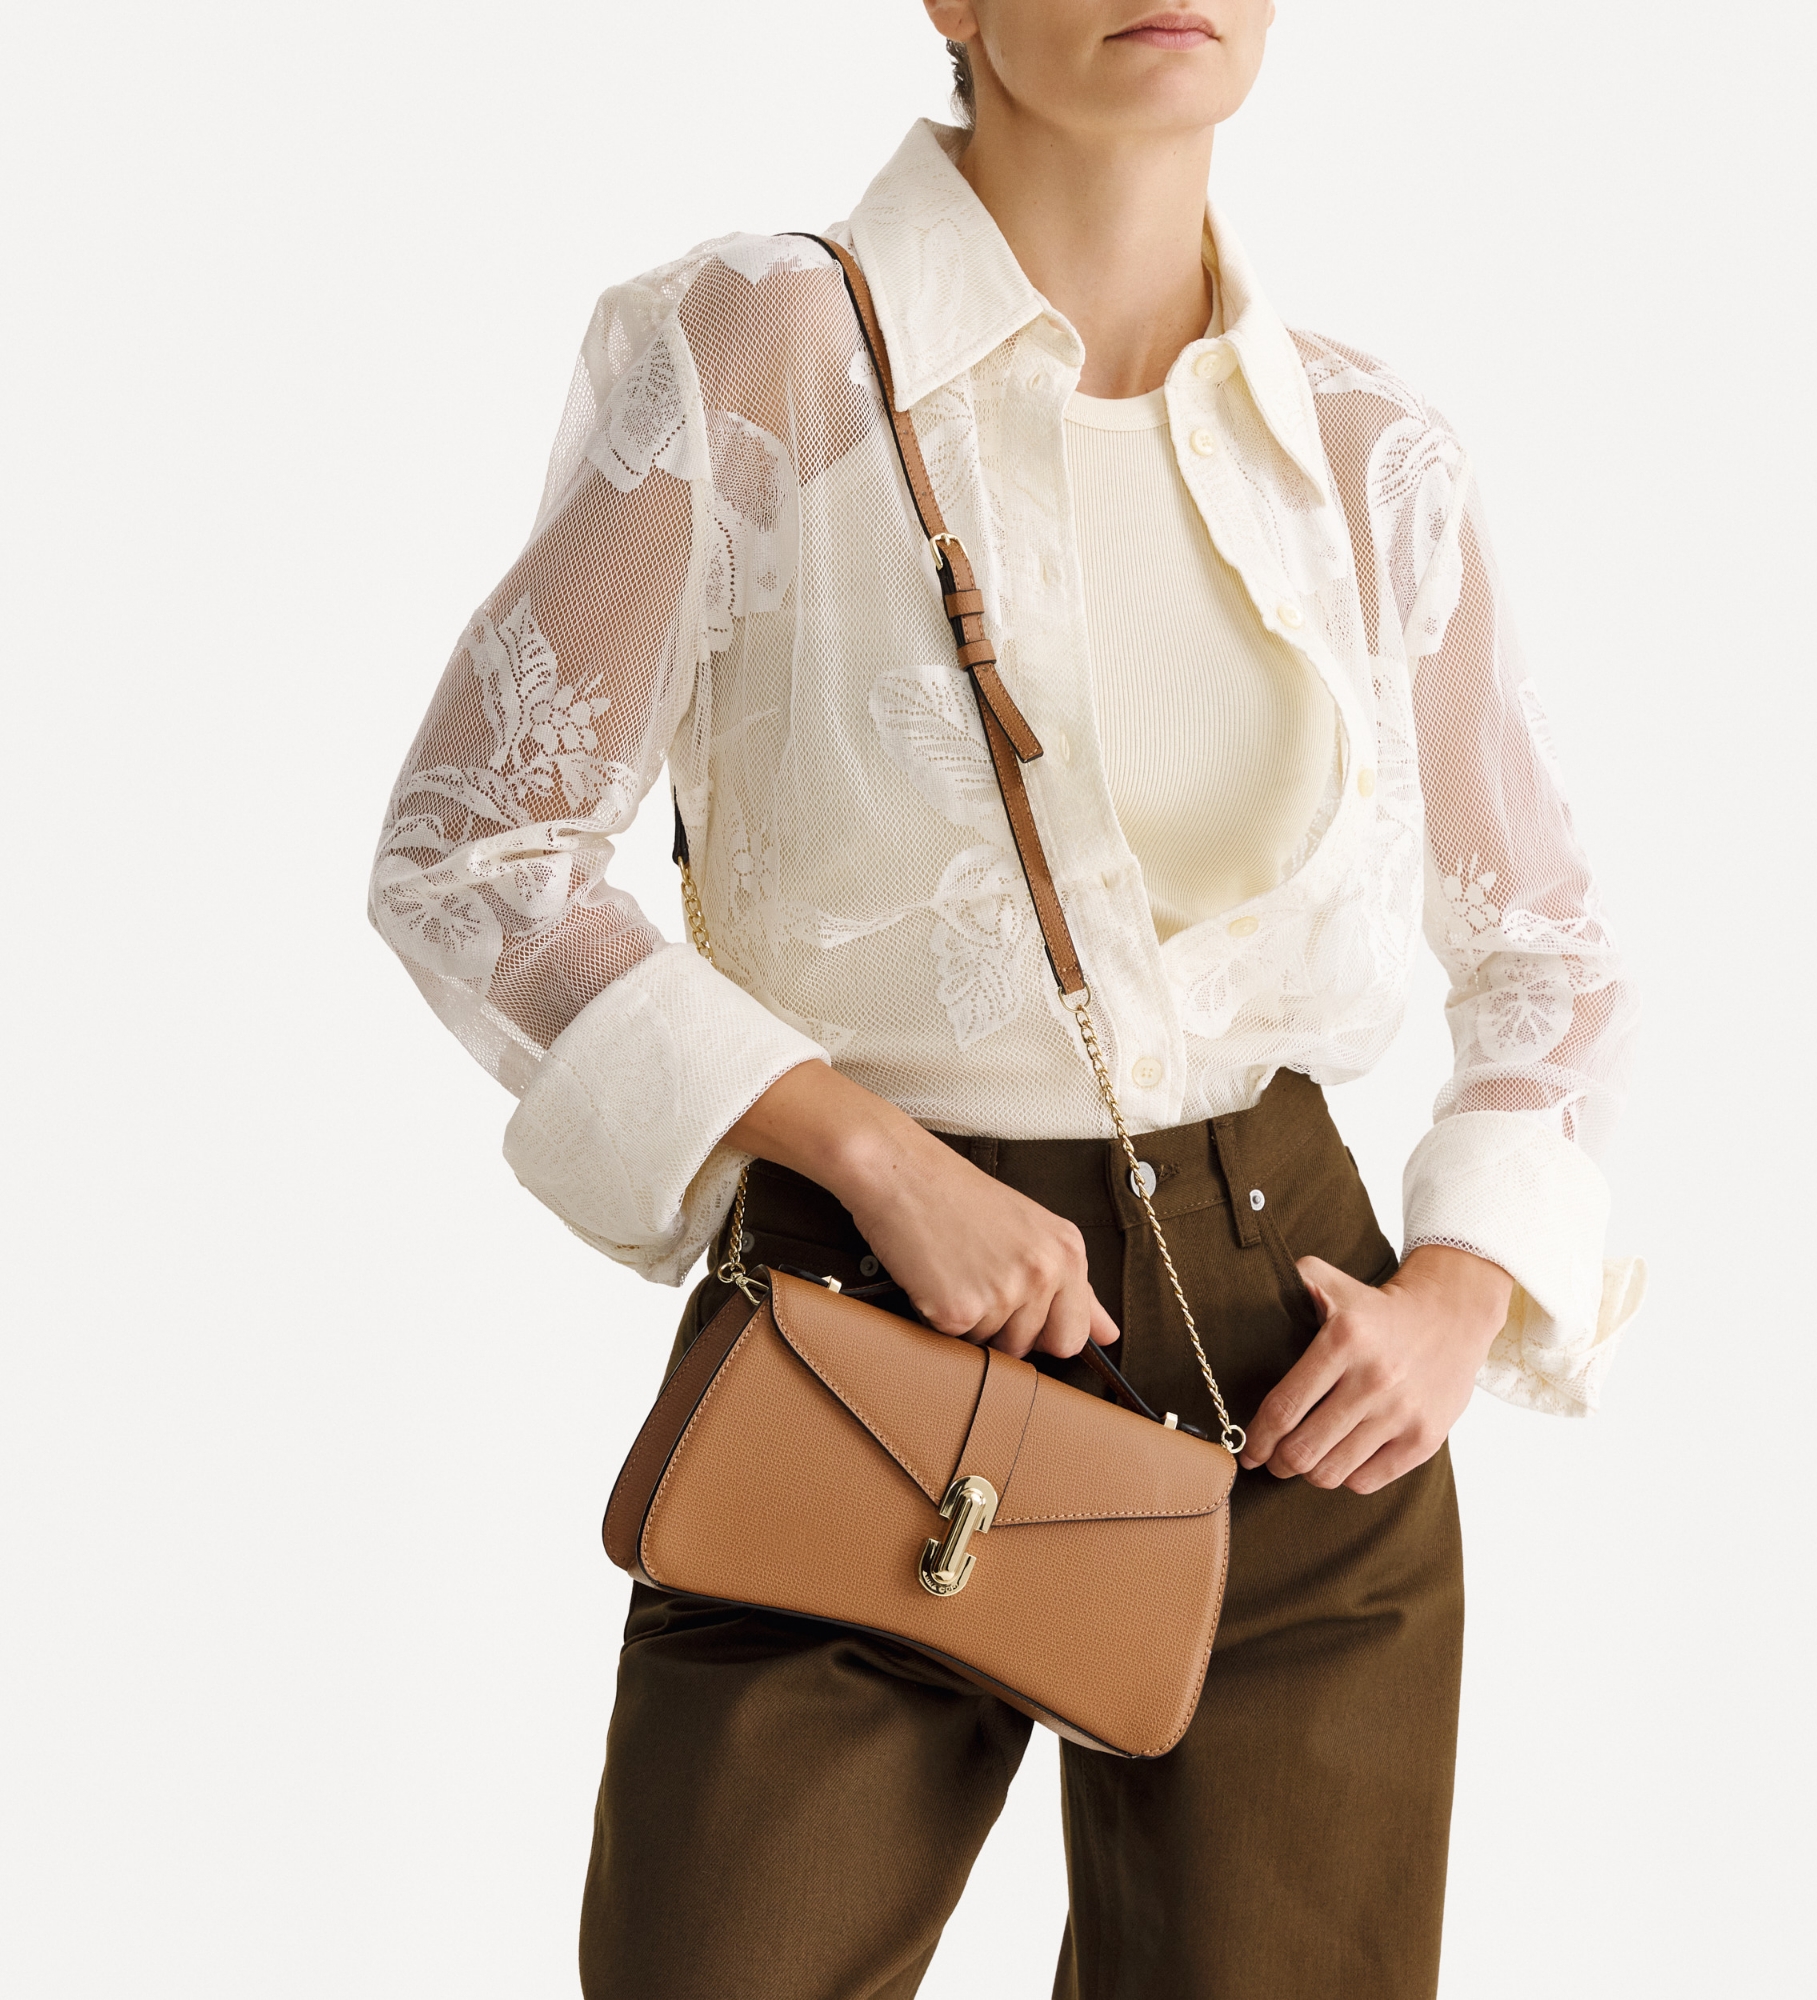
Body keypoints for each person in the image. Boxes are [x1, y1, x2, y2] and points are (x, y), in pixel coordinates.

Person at [368, 4, 1642, 1993]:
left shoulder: (1357, 446)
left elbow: (1546, 940)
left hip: (1299, 1381)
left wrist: (1463, 1292)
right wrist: (867, 1156)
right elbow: (474, 845)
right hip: (869, 1335)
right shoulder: (769, 345)